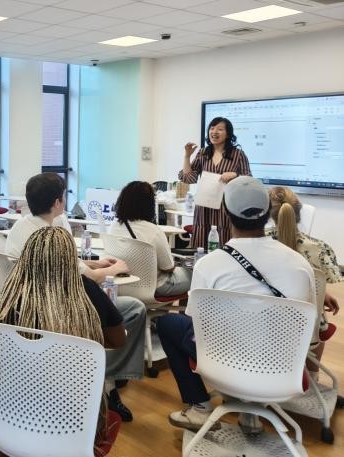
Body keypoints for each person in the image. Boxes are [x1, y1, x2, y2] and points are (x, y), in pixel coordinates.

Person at [157, 176, 315, 434]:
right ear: (268, 213)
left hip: (224, 365)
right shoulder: (300, 264)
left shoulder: (209, 265)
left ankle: (199, 408)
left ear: (225, 212)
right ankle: (249, 411)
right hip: (283, 368)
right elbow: (306, 323)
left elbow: (197, 326)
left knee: (168, 324)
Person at [0, 227, 122, 457]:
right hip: (75, 419)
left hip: (16, 405)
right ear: (72, 260)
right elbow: (118, 340)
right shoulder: (86, 289)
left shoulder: (14, 293)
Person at [3, 172, 145, 422]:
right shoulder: (51, 240)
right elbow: (89, 278)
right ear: (57, 202)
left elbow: (74, 266)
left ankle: (106, 381)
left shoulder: (22, 228)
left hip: (29, 310)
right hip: (62, 312)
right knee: (134, 308)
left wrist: (95, 262)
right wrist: (114, 269)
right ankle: (108, 381)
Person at [267, 186, 340, 374]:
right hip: (305, 325)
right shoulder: (320, 249)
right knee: (317, 316)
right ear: (298, 212)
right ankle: (313, 375)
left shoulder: (257, 244)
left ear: (268, 214)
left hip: (265, 320)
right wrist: (322, 293)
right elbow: (324, 278)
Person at [179, 117, 251, 248]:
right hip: (204, 207)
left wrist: (235, 175)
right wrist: (187, 156)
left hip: (226, 207)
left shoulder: (238, 155)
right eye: (212, 128)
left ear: (228, 134)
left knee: (224, 240)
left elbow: (249, 180)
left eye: (220, 129)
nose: (214, 132)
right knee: (202, 242)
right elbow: (189, 178)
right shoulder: (203, 153)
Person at [109, 181, 191, 297]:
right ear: (149, 204)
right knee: (195, 275)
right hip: (155, 287)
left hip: (122, 285)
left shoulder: (114, 226)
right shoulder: (154, 231)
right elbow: (168, 268)